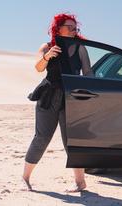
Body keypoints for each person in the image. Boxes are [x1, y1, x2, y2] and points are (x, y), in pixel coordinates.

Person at [22, 13, 93, 192]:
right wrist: (47, 56)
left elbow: (88, 74)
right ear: (58, 28)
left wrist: (90, 96)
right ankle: (25, 177)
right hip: (48, 97)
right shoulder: (47, 46)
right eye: (69, 27)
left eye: (75, 28)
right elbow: (38, 68)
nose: (73, 31)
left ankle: (80, 182)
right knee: (42, 137)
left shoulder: (80, 48)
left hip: (71, 98)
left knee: (71, 140)